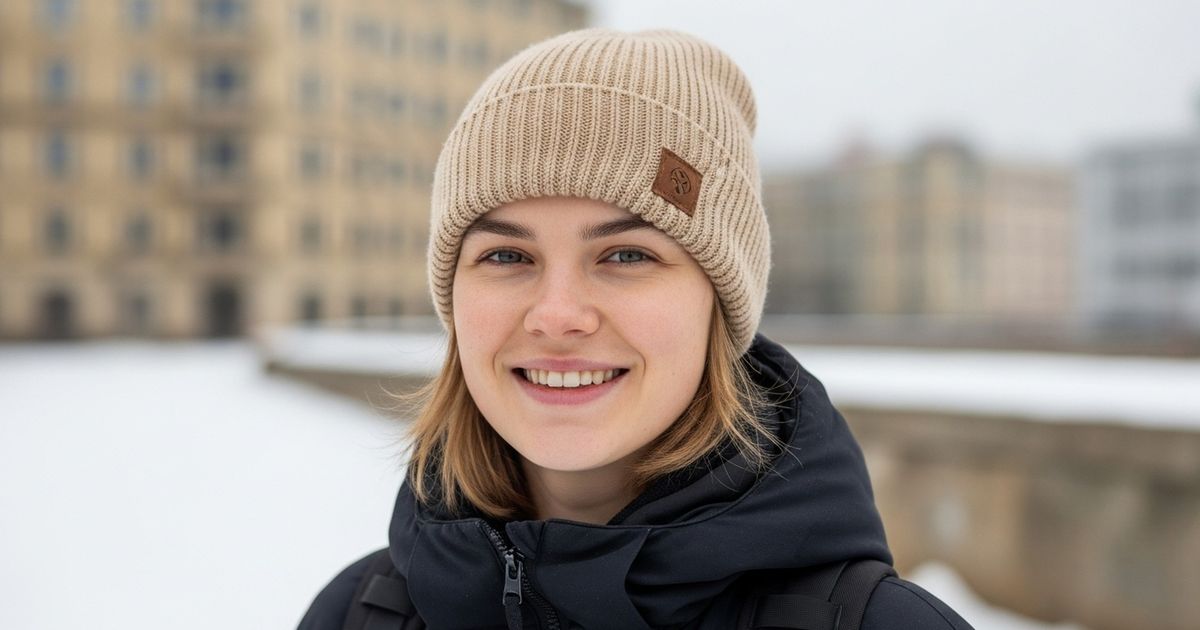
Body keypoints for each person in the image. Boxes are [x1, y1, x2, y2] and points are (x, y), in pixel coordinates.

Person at [299, 28, 974, 630]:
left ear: (718, 302)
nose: (558, 315)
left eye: (627, 255)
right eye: (506, 256)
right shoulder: (358, 613)